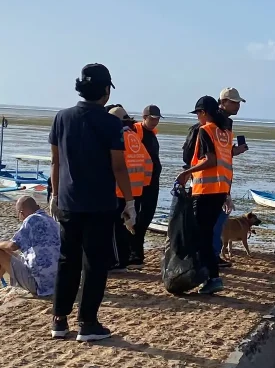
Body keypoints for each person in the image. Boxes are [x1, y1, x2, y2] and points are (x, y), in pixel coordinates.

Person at [48, 63, 137, 342]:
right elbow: (119, 167)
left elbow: (56, 161)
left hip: (68, 202)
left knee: (67, 260)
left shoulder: (61, 117)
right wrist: (130, 202)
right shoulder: (111, 122)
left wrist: (53, 195)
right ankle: (87, 323)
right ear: (106, 91)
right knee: (95, 264)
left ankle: (59, 321)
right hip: (99, 204)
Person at [181, 87, 248, 268]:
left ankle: (208, 265)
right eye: (234, 102)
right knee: (208, 229)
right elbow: (201, 157)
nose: (237, 106)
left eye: (238, 102)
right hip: (209, 185)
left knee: (207, 229)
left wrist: (233, 151)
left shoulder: (222, 128)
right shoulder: (210, 128)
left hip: (213, 186)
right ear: (222, 102)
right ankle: (209, 264)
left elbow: (217, 157)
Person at [176, 95, 234, 295]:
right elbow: (226, 162)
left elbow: (210, 160)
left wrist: (186, 172)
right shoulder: (225, 133)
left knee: (202, 236)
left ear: (203, 113)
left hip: (205, 191)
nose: (198, 118)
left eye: (198, 113)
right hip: (219, 190)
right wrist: (227, 193)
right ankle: (208, 274)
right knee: (206, 234)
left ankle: (211, 277)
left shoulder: (205, 130)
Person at [107, 105, 153, 271]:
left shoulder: (118, 137)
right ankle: (124, 259)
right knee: (127, 226)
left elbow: (115, 165)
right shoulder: (134, 137)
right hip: (136, 191)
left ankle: (117, 262)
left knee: (115, 228)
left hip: (120, 190)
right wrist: (143, 185)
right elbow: (149, 163)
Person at [131, 104, 163, 268]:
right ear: (144, 117)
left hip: (152, 182)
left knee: (146, 217)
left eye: (157, 119)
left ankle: (136, 251)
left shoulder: (152, 134)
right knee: (137, 218)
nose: (155, 122)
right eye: (152, 119)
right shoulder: (136, 131)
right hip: (139, 183)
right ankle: (134, 253)